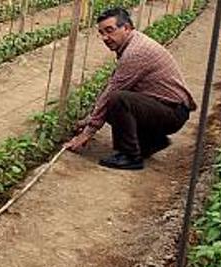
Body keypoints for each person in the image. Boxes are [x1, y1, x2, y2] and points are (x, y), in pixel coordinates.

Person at [64, 7, 196, 170]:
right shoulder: (133, 42)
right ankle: (151, 142)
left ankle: (130, 156)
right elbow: (114, 84)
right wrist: (91, 119)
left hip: (172, 112)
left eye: (110, 31)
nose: (105, 37)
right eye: (102, 33)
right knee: (114, 102)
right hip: (167, 107)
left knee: (117, 100)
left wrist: (87, 133)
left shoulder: (136, 52)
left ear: (126, 28)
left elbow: (112, 91)